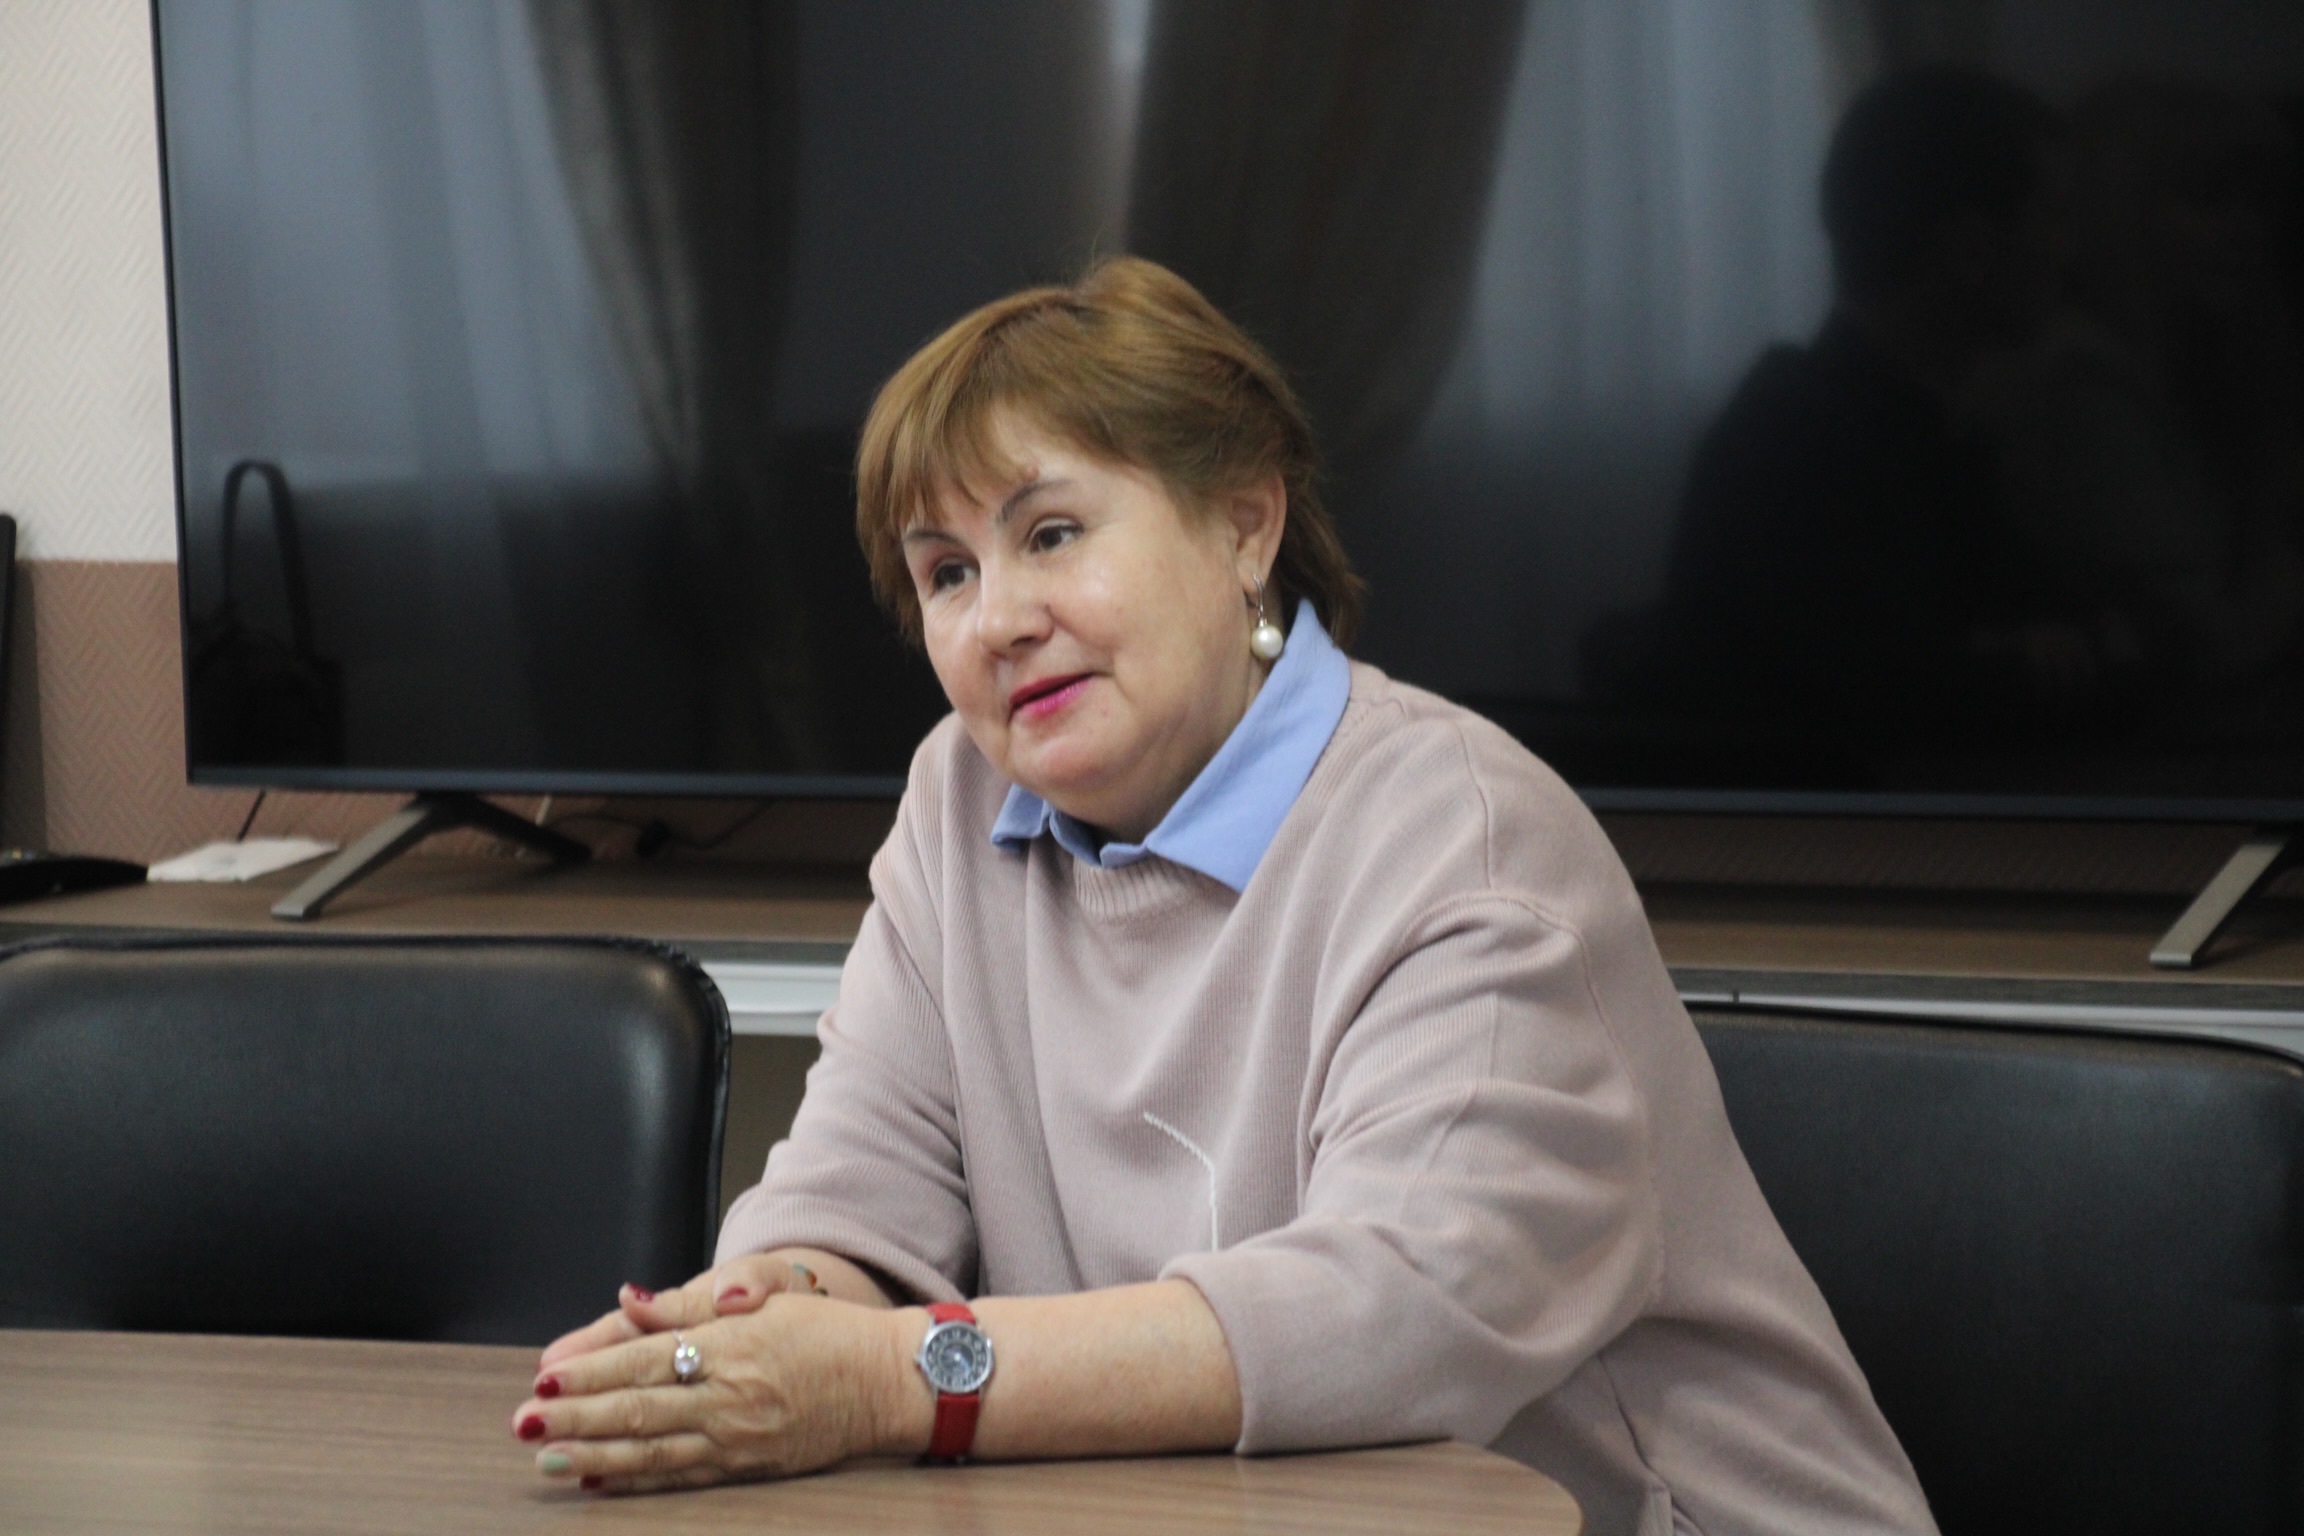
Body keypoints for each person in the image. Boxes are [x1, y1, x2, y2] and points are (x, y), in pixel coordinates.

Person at [510, 257, 1937, 1535]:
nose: (998, 618)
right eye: (945, 573)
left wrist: (894, 1378)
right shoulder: (958, 800)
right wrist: (760, 1318)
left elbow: (1396, 1317)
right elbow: (855, 1185)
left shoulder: (1464, 833)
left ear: (1245, 525)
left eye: (1052, 534)